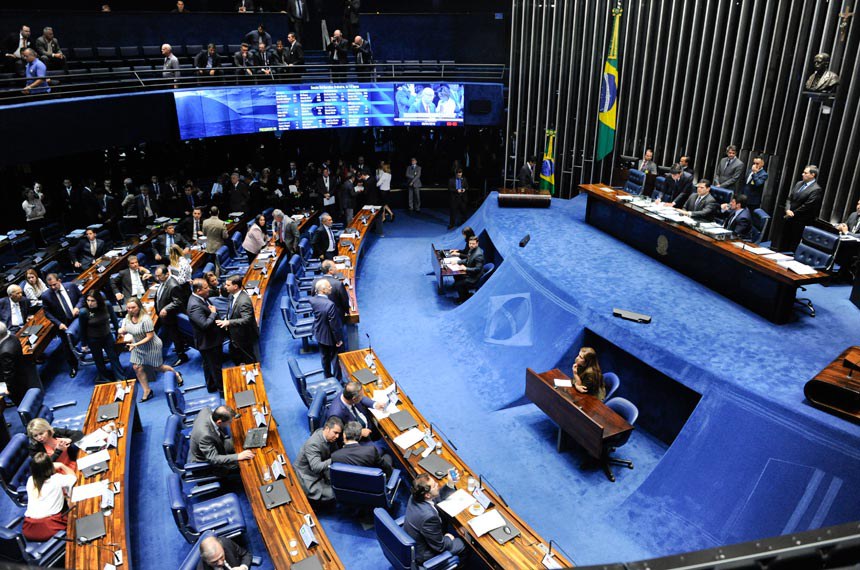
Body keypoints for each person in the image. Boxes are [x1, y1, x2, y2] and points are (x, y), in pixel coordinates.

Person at [119, 296, 182, 402]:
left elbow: (149, 336)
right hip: (137, 346)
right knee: (137, 367)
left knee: (158, 367)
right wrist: (122, 330)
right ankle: (147, 390)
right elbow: (127, 329)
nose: (130, 310)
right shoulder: (128, 317)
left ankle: (176, 374)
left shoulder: (146, 319)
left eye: (133, 307)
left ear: (139, 307)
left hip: (151, 346)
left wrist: (135, 344)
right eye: (128, 308)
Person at [404, 473, 467, 565]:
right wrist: (448, 538)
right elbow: (439, 547)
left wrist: (450, 484)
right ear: (427, 495)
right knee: (463, 544)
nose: (438, 484)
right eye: (435, 485)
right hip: (425, 554)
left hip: (420, 538)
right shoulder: (428, 517)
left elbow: (435, 497)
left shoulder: (415, 495)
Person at [22, 453, 76, 542]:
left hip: (29, 529)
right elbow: (73, 477)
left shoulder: (30, 480)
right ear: (50, 466)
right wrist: (62, 465)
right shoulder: (57, 479)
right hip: (51, 528)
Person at [41, 273, 85, 377]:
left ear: (59, 280)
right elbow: (47, 313)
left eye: (54, 284)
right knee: (67, 346)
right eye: (50, 286)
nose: (53, 287)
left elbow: (82, 298)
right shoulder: (46, 296)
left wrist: (78, 307)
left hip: (77, 317)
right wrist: (58, 323)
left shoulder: (71, 286)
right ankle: (73, 366)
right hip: (63, 323)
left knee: (86, 335)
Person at [189, 406, 254, 477]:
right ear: (219, 422)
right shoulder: (205, 436)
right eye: (229, 422)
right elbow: (214, 459)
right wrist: (238, 456)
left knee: (243, 443)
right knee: (244, 465)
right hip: (206, 462)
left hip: (217, 442)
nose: (230, 424)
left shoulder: (206, 410)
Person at [79, 291, 128, 383]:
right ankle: (104, 378)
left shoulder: (107, 305)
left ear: (98, 300)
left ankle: (120, 377)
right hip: (93, 339)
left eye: (92, 301)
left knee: (113, 356)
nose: (90, 303)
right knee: (99, 360)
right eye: (88, 300)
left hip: (107, 335)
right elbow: (82, 329)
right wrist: (84, 344)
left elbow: (114, 319)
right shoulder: (84, 312)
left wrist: (118, 331)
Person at [294, 416, 343, 502]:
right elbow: (316, 467)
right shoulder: (313, 444)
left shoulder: (327, 436)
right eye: (335, 433)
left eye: (339, 434)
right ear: (327, 429)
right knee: (334, 493)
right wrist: (335, 458)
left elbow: (335, 452)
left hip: (321, 468)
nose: (337, 436)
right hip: (307, 475)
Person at [188, 279, 224, 393]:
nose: (208, 289)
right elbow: (204, 325)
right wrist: (213, 313)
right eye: (206, 288)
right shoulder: (194, 305)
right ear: (198, 291)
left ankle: (211, 386)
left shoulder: (201, 298)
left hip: (211, 339)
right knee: (215, 367)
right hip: (208, 342)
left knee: (209, 365)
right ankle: (222, 390)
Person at [216, 274, 260, 364]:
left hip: (244, 336)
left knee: (249, 359)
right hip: (235, 335)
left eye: (228, 285)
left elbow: (247, 319)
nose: (225, 287)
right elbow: (231, 311)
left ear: (235, 286)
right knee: (235, 356)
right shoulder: (232, 296)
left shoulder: (243, 301)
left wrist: (229, 322)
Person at [781, 165, 824, 251]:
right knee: (783, 242)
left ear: (813, 175)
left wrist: (792, 213)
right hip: (789, 218)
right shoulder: (798, 184)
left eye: (805, 173)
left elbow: (807, 206)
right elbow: (790, 198)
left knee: (793, 245)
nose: (802, 174)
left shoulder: (816, 189)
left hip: (800, 221)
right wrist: (787, 210)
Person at [154, 265, 189, 367]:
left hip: (171, 317)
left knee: (175, 336)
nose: (157, 278)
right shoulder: (163, 282)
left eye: (159, 276)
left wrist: (166, 308)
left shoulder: (173, 285)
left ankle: (182, 356)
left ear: (167, 274)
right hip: (165, 318)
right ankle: (180, 350)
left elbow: (178, 302)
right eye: (156, 276)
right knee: (173, 336)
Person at [308, 279, 344, 379]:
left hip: (319, 333)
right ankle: (338, 380)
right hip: (330, 337)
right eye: (329, 287)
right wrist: (338, 340)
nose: (331, 287)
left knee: (324, 357)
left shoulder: (312, 300)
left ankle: (327, 376)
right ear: (323, 290)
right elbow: (334, 325)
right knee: (335, 359)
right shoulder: (330, 305)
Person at [0, 322, 42, 404]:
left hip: (17, 386)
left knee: (22, 404)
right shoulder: (13, 338)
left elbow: (9, 374)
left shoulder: (5, 352)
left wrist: (9, 389)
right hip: (23, 375)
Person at [453, 235, 484, 304]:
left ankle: (463, 300)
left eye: (473, 244)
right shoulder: (471, 250)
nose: (471, 245)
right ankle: (465, 295)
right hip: (471, 272)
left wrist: (465, 268)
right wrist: (457, 262)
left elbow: (477, 269)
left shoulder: (479, 255)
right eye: (470, 243)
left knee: (458, 284)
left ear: (477, 243)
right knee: (456, 275)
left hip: (474, 277)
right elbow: (468, 260)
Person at [203, 206, 229, 272]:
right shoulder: (221, 223)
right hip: (219, 247)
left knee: (211, 263)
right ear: (218, 212)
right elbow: (225, 236)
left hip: (209, 247)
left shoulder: (205, 222)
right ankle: (217, 275)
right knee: (218, 264)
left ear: (209, 212)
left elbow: (204, 234)